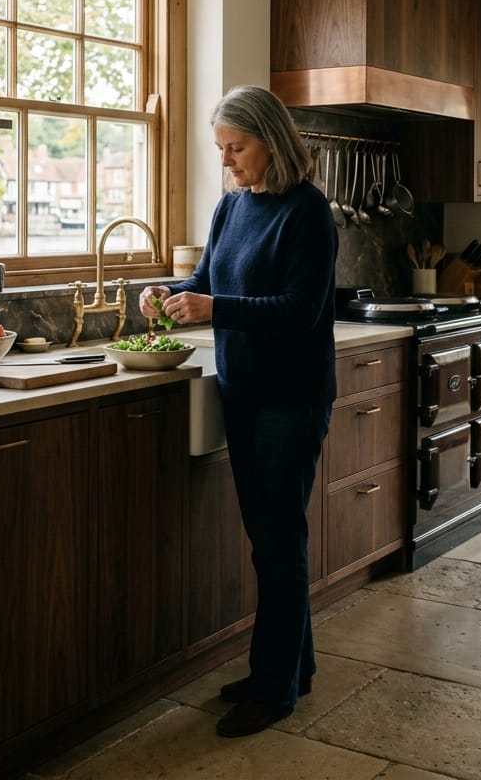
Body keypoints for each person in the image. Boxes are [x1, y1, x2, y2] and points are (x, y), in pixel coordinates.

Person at [139, 85, 338, 738]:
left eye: (237, 148)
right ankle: (293, 668)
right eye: (221, 149)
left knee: (277, 543)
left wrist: (215, 310)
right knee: (271, 539)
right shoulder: (230, 208)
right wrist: (168, 293)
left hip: (292, 397)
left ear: (271, 143)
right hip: (244, 394)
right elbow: (207, 285)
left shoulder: (308, 211)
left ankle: (273, 687)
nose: (227, 162)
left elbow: (300, 310)